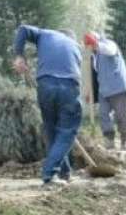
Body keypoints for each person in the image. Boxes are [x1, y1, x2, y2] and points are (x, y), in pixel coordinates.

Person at [13, 23, 82, 185]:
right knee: (67, 131)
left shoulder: (46, 35)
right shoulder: (75, 46)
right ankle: (50, 174)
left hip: (45, 85)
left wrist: (19, 56)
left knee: (52, 130)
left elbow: (23, 29)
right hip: (68, 86)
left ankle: (64, 172)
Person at [85, 31, 126, 150]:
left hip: (118, 86)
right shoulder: (94, 56)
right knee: (103, 115)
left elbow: (110, 51)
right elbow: (94, 75)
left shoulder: (109, 45)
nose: (89, 48)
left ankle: (124, 141)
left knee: (121, 115)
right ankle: (109, 141)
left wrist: (96, 44)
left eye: (89, 44)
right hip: (104, 90)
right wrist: (89, 92)